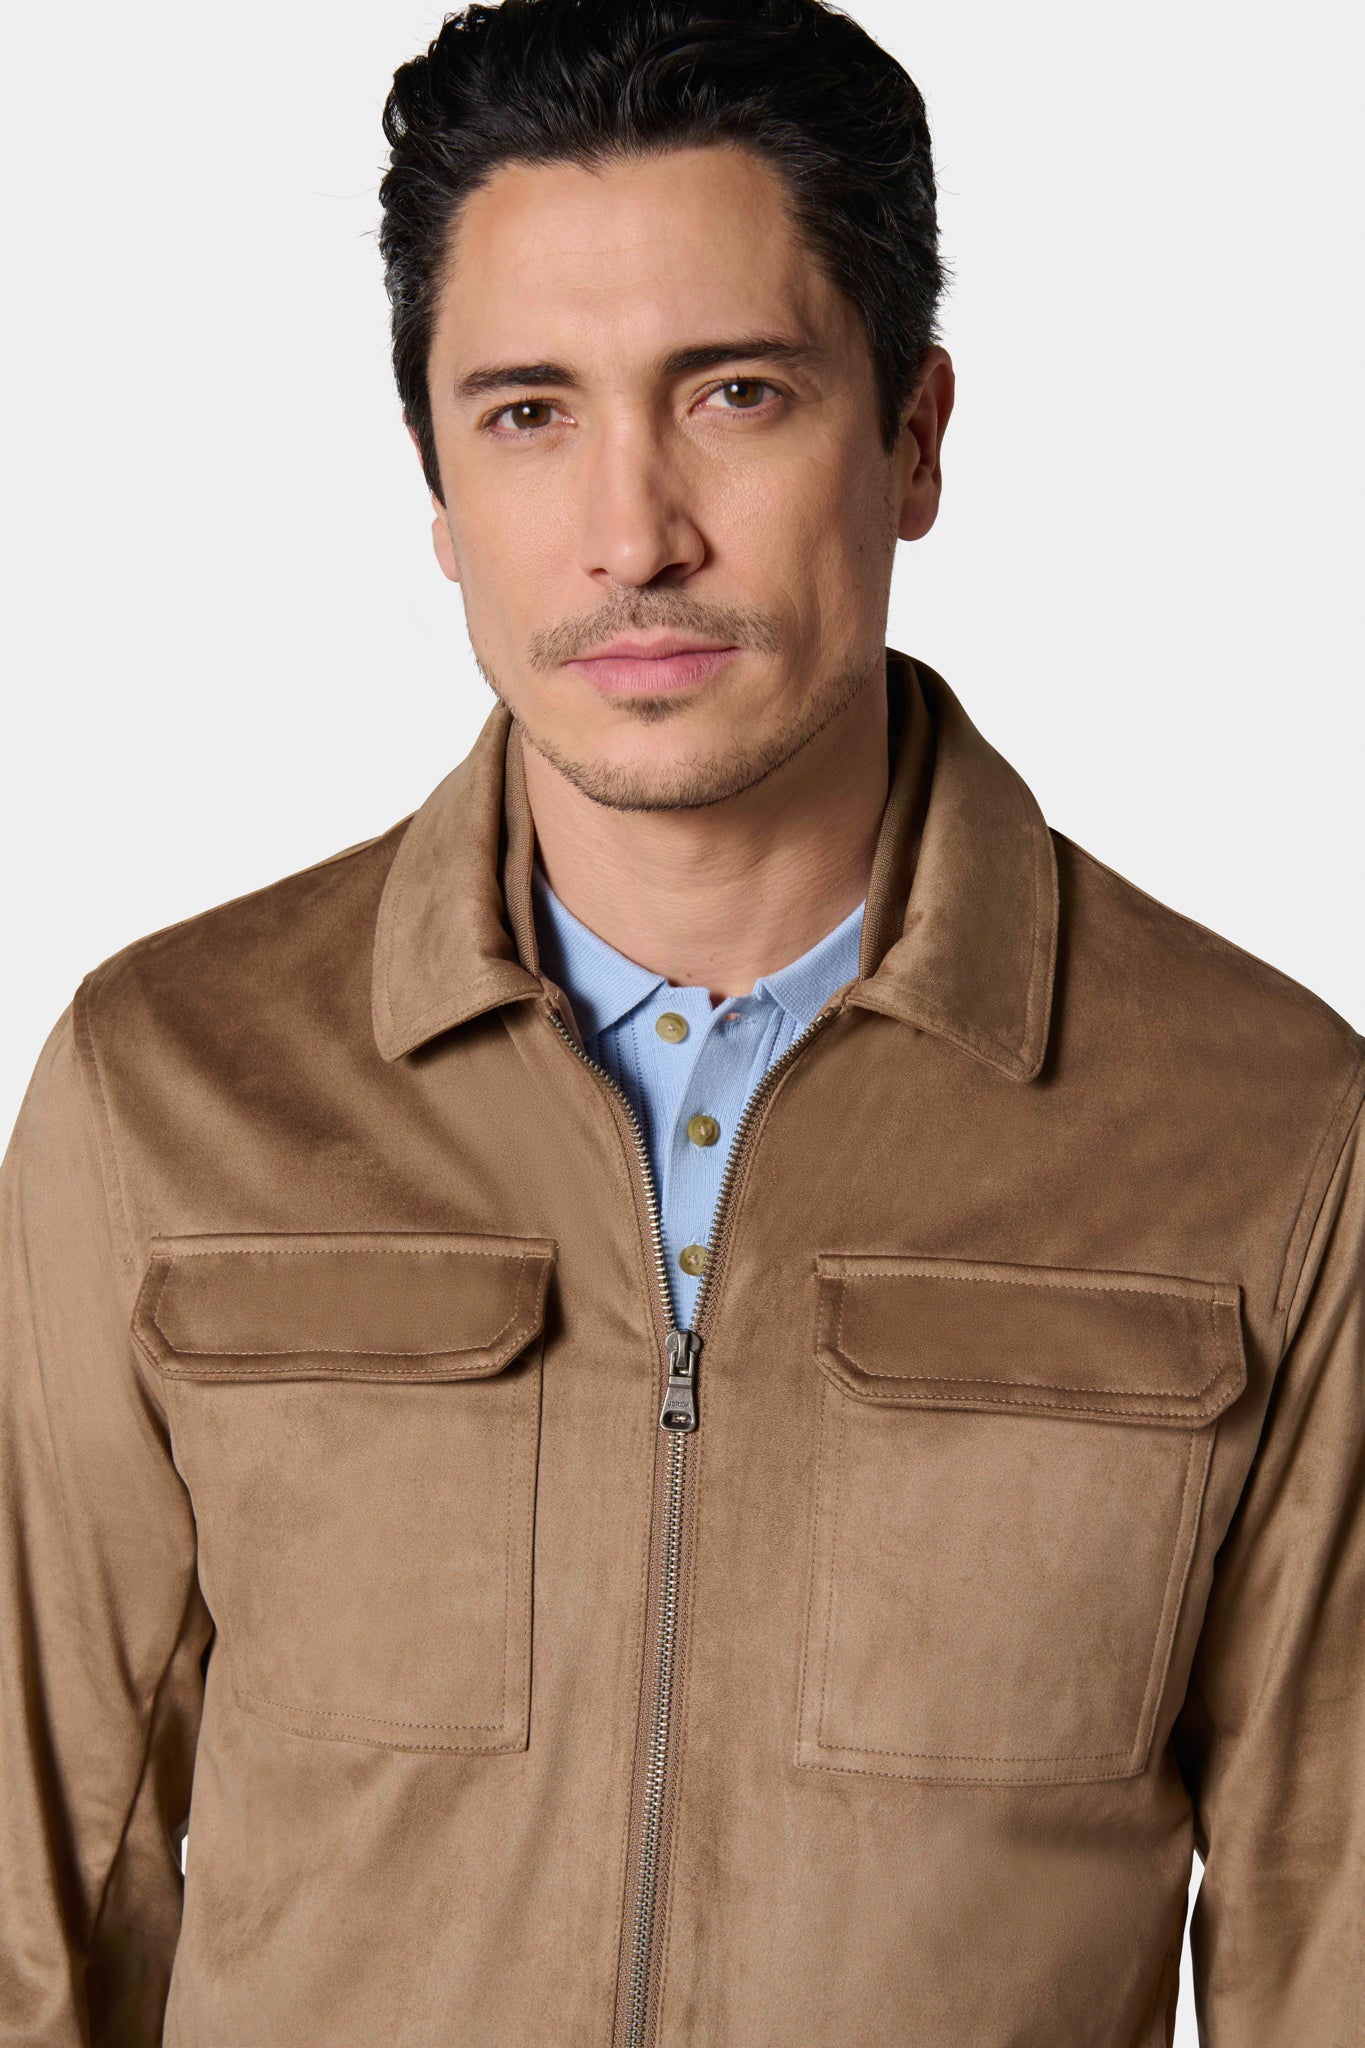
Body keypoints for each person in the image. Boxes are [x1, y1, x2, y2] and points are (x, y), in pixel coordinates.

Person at [2, 1, 1361, 2042]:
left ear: (912, 437)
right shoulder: (169, 1085)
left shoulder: (1260, 1128)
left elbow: (1328, 1939)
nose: (631, 534)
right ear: (435, 484)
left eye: (733, 393)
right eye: (526, 413)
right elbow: (35, 1905)